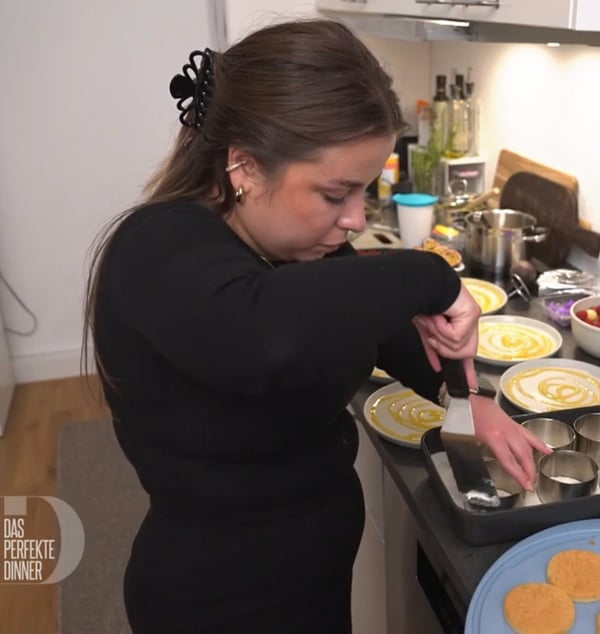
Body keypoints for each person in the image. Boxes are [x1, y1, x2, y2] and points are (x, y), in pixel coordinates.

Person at [83, 19, 548, 633]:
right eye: (336, 195)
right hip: (218, 603)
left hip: (315, 579)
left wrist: (464, 398)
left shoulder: (298, 247)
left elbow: (376, 325)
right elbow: (265, 336)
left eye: (363, 192)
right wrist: (431, 277)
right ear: (244, 166)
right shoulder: (157, 248)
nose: (355, 219)